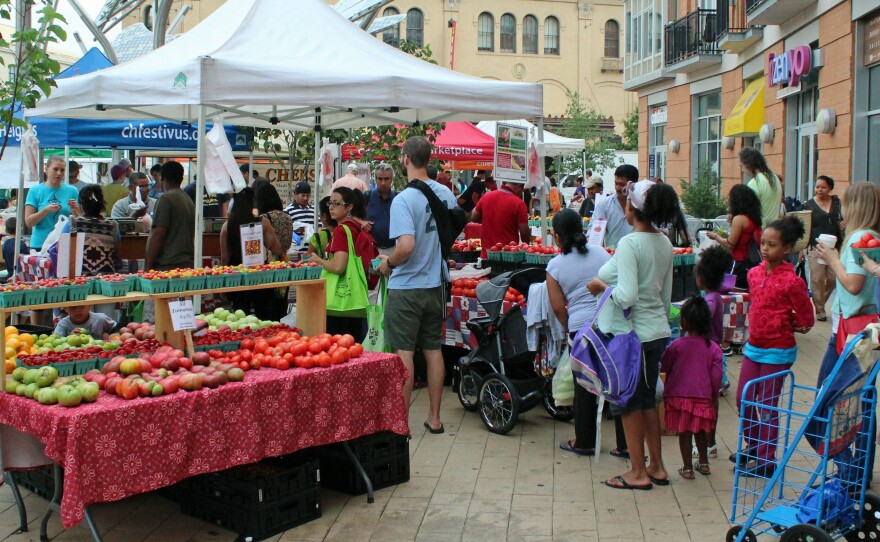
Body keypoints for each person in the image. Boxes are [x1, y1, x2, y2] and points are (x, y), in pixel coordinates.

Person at [587, 180, 682, 490]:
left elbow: (626, 296)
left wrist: (603, 289)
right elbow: (666, 296)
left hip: (633, 336)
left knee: (629, 402)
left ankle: (638, 471)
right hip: (655, 331)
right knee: (647, 400)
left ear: (633, 208)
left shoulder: (631, 243)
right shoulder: (664, 242)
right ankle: (656, 466)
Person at [378, 136, 456, 435]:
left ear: (406, 158)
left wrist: (389, 263)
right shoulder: (445, 194)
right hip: (435, 284)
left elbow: (406, 245)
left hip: (407, 286)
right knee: (433, 351)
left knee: (405, 353)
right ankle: (434, 418)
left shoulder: (403, 199)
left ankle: (401, 423)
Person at [732, 216, 814, 477]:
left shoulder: (793, 281)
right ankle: (754, 447)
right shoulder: (754, 274)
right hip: (753, 347)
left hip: (778, 351)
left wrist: (791, 323)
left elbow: (806, 319)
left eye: (772, 244)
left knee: (767, 405)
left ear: (787, 249)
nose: (765, 249)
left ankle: (767, 461)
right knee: (743, 399)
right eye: (763, 243)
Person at [549, 209, 612, 456]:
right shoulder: (601, 253)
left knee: (584, 386)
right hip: (609, 323)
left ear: (557, 237)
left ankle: (585, 442)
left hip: (581, 330)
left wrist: (569, 329)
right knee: (614, 382)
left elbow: (557, 306)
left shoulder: (555, 265)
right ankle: (625, 445)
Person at [661, 296, 723, 480]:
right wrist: (713, 395)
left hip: (678, 397)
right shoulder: (713, 348)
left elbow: (664, 366)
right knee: (701, 431)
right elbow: (717, 375)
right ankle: (703, 463)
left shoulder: (676, 346)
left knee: (684, 432)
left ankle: (687, 468)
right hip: (703, 397)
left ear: (684, 322)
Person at [307, 188, 377, 341]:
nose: (331, 207)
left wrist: (318, 260)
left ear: (349, 207)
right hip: (355, 301)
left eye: (336, 203)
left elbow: (338, 267)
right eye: (330, 203)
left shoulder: (341, 231)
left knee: (338, 350)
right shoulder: (356, 228)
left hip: (339, 305)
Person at [693, 245, 734, 459]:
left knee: (705, 400)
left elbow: (703, 318)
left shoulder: (709, 300)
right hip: (716, 353)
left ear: (700, 279)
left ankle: (706, 443)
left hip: (707, 355)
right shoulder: (716, 296)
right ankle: (711, 442)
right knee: (712, 398)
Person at [220, 187, 284, 320]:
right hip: (260, 276)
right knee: (264, 317)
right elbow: (277, 249)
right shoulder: (262, 223)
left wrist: (223, 287)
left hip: (237, 278)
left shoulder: (227, 226)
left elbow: (225, 259)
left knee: (240, 318)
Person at [798, 175, 843, 321]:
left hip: (834, 247)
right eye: (817, 187)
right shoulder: (808, 206)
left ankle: (820, 300)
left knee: (833, 278)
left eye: (823, 187)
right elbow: (801, 226)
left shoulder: (837, 203)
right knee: (817, 279)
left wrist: (844, 223)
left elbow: (844, 218)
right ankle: (820, 310)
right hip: (815, 247)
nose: (819, 190)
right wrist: (801, 249)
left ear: (830, 188)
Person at [707, 184, 763, 289]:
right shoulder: (753, 219)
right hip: (752, 263)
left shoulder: (739, 219)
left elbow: (730, 244)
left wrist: (716, 236)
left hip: (739, 263)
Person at [145, 161, 195, 271]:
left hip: (168, 265)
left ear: (162, 178)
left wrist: (147, 266)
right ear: (181, 179)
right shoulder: (187, 199)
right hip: (187, 264)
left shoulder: (166, 199)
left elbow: (159, 234)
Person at [25, 155, 80, 251]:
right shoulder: (35, 191)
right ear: (46, 169)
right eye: (55, 169)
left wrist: (75, 212)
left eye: (62, 170)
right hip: (40, 244)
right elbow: (29, 222)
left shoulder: (72, 191)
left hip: (64, 244)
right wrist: (45, 210)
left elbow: (80, 220)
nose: (59, 173)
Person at [471, 181, 530, 258]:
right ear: (519, 187)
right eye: (522, 190)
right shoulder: (519, 203)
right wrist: (526, 247)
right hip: (508, 256)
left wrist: (490, 219)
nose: (520, 194)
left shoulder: (486, 196)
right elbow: (524, 231)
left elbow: (474, 218)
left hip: (486, 254)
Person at [71, 185, 120, 276]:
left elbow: (63, 250)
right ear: (102, 203)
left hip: (79, 278)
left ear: (81, 205)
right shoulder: (113, 225)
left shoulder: (73, 224)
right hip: (106, 279)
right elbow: (116, 249)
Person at [592, 164, 637, 248]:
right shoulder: (604, 204)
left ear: (633, 184)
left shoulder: (641, 206)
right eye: (616, 183)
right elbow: (594, 234)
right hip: (611, 257)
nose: (617, 188)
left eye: (622, 184)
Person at [741, 148, 783, 227]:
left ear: (747, 164)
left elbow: (749, 212)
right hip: (773, 230)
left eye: (742, 166)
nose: (742, 170)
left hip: (759, 231)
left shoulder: (754, 183)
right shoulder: (774, 178)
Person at [253, 179, 294, 256]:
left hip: (270, 261)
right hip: (284, 259)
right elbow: (288, 245)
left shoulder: (264, 219)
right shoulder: (288, 217)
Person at [366, 162, 397, 257]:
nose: (383, 183)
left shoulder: (399, 198)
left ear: (392, 179)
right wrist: (361, 222)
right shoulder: (367, 196)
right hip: (372, 250)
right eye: (380, 179)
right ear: (375, 179)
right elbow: (351, 215)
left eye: (386, 179)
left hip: (394, 250)